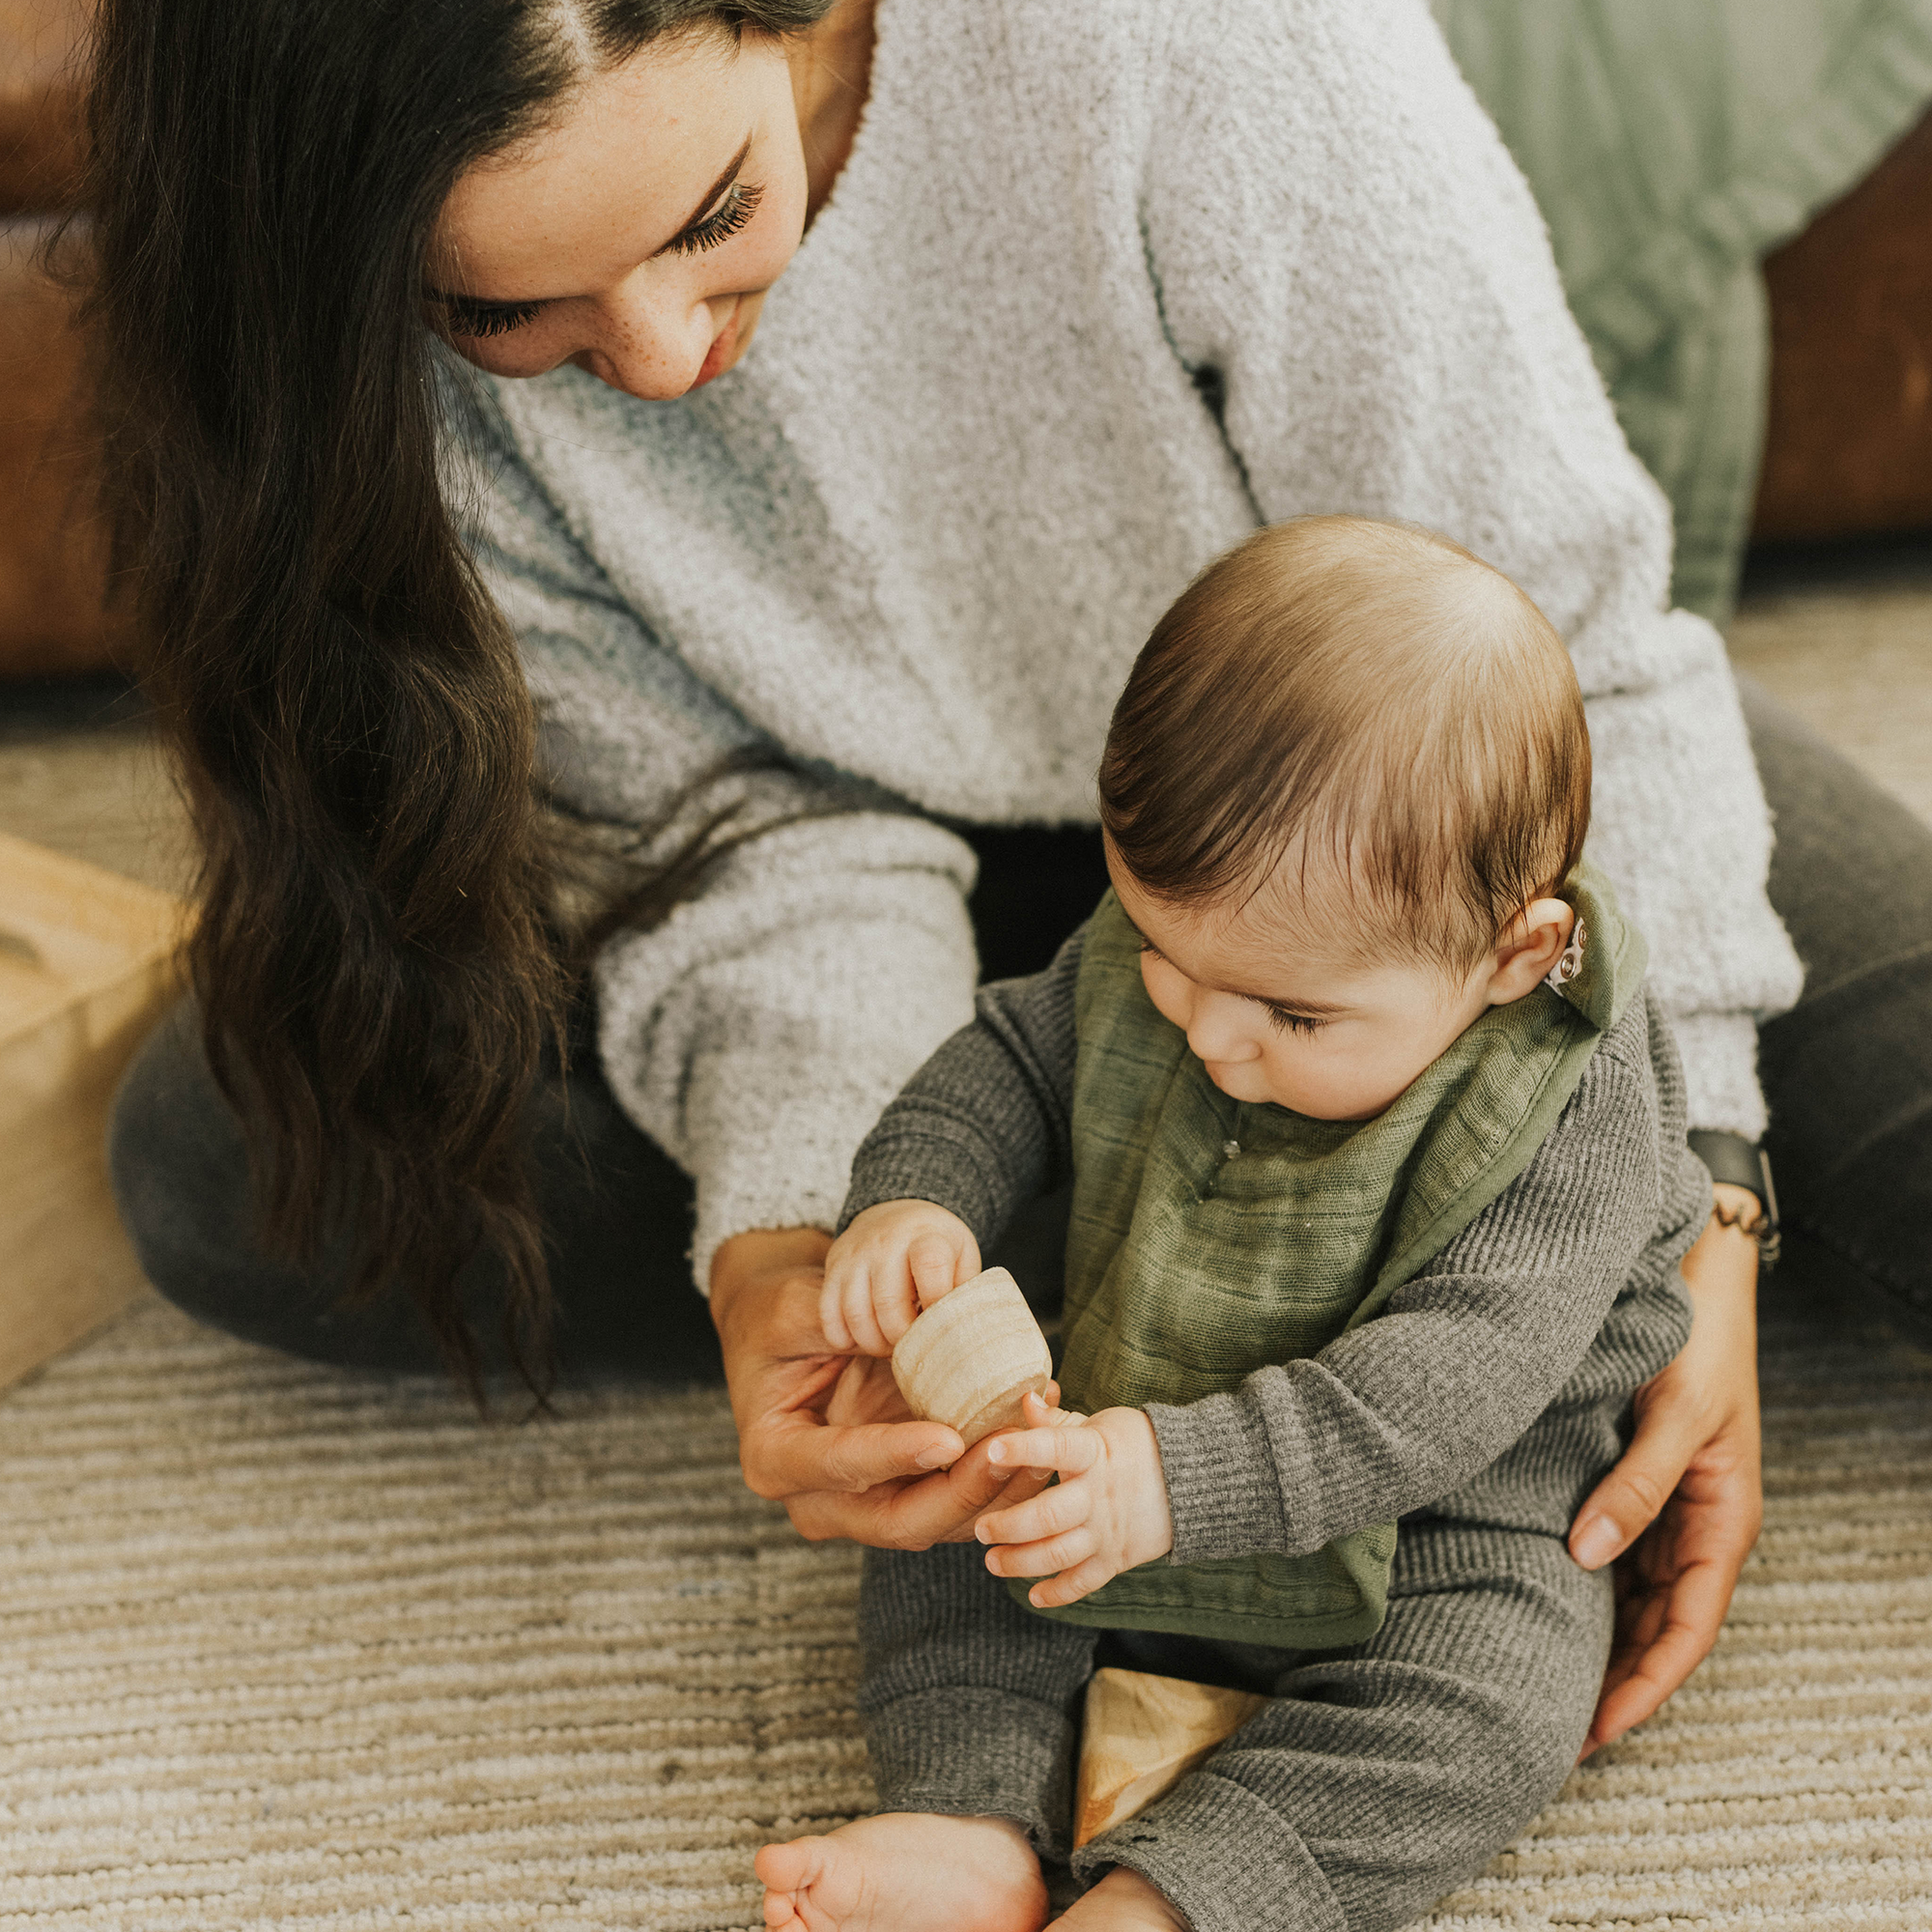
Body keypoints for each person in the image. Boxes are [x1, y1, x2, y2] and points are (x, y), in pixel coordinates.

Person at [90, 0, 1928, 1788]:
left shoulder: (1191, 40)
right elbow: (738, 826)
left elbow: (1565, 622)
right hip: (943, 883)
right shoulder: (356, 303)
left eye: (716, 212)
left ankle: (1316, 1252)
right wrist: (803, 1246)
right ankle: (1302, 1263)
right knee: (222, 1154)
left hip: (1391, 810)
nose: (655, 356)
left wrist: (1694, 1203)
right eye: (510, 308)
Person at [758, 517, 1705, 1931]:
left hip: (1437, 1512)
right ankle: (968, 1820)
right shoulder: (1219, 953)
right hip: (1122, 1411)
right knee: (953, 1539)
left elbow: (1452, 1379)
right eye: (1163, 954)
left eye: (1295, 1014)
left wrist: (1174, 1483)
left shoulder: (1574, 1094)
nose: (1204, 1028)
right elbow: (1009, 1060)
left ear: (1509, 955)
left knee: (1494, 1700)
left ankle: (1181, 1894)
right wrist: (912, 1199)